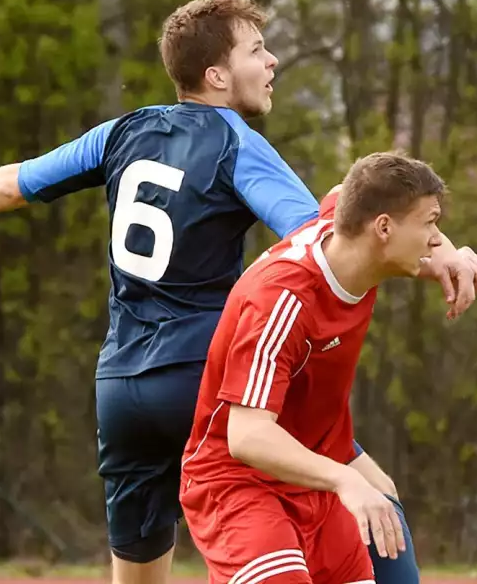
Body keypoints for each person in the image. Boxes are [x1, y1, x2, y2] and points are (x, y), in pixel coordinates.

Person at [0, 0, 477, 584]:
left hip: (121, 389)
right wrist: (442, 249)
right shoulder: (236, 143)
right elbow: (336, 235)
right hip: (202, 379)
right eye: (255, 51)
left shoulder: (124, 131)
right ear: (217, 76)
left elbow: (18, 181)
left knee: (137, 575)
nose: (272, 61)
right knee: (357, 484)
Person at [181, 151, 454, 583]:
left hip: (317, 469)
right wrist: (345, 480)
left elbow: (348, 190)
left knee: (390, 528)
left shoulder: (345, 228)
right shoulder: (283, 300)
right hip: (239, 481)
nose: (438, 239)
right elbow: (246, 435)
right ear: (383, 228)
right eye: (430, 224)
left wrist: (451, 258)